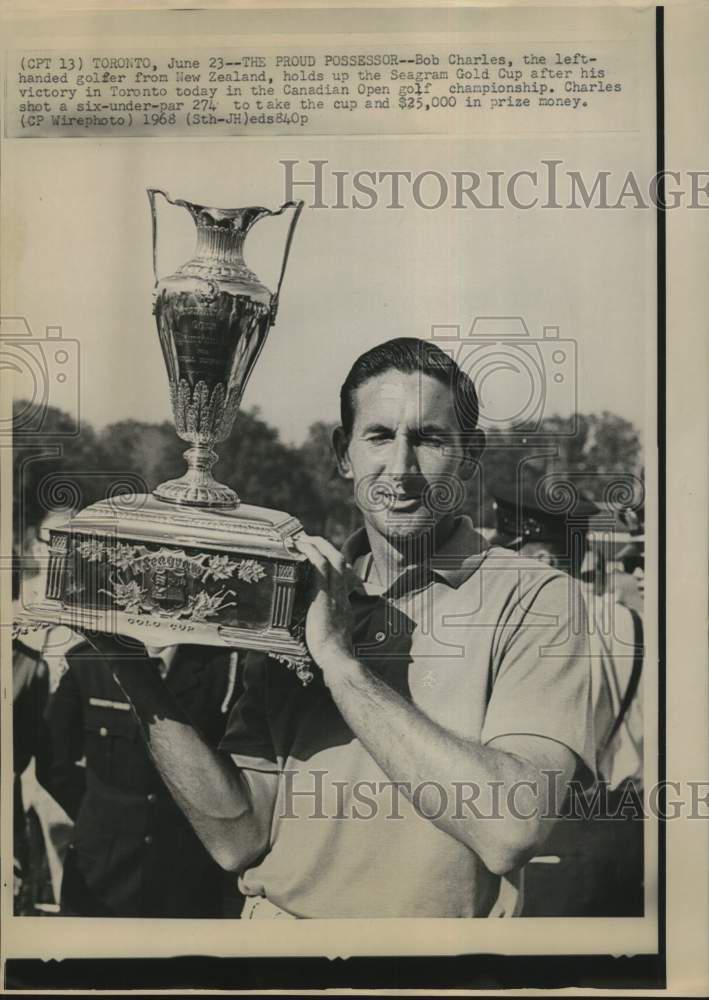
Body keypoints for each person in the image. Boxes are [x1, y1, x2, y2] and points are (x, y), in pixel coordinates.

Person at [83, 337, 596, 919]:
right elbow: (240, 835)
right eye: (379, 436)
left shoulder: (538, 599)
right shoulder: (297, 594)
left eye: (428, 439)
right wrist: (130, 668)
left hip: (428, 971)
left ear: (470, 455)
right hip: (275, 962)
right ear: (343, 453)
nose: (400, 469)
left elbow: (512, 826)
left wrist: (341, 666)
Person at [490, 482, 644, 916]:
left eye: (508, 557)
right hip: (629, 830)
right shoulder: (631, 622)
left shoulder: (530, 634)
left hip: (550, 839)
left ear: (543, 560)